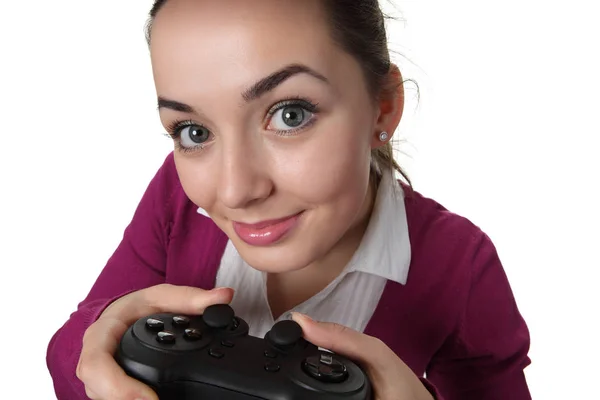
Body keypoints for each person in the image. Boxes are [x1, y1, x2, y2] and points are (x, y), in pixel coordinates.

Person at [46, 0, 532, 399]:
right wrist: (98, 344)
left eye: (291, 115)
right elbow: (74, 345)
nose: (236, 190)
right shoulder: (175, 195)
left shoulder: (460, 265)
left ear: (382, 106)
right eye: (193, 132)